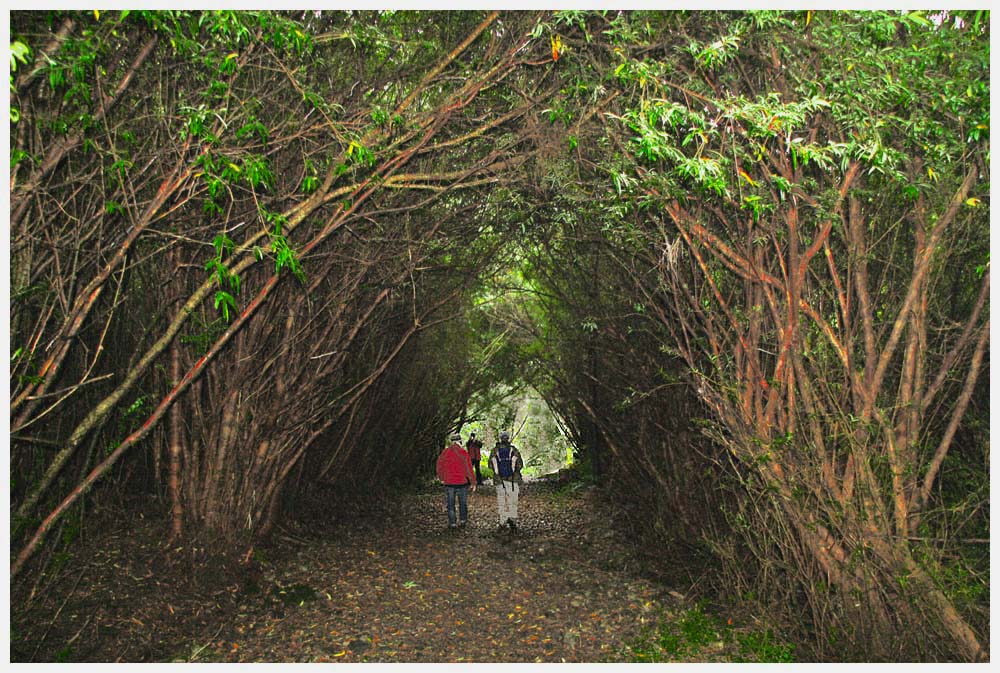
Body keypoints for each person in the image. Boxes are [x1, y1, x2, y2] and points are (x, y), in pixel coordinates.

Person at [435, 433, 477, 529]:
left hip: (449, 483)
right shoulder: (463, 452)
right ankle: (463, 520)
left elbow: (439, 466)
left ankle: (452, 523)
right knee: (463, 503)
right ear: (460, 441)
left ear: (451, 441)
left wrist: (442, 478)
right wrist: (473, 482)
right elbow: (469, 469)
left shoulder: (445, 452)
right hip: (462, 483)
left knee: (450, 504)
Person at [489, 431, 524, 532]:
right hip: (513, 480)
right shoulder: (514, 450)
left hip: (499, 480)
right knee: (512, 501)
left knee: (502, 501)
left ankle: (502, 522)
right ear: (508, 439)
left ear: (500, 439)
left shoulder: (494, 451)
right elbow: (520, 465)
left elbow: (490, 465)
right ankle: (512, 521)